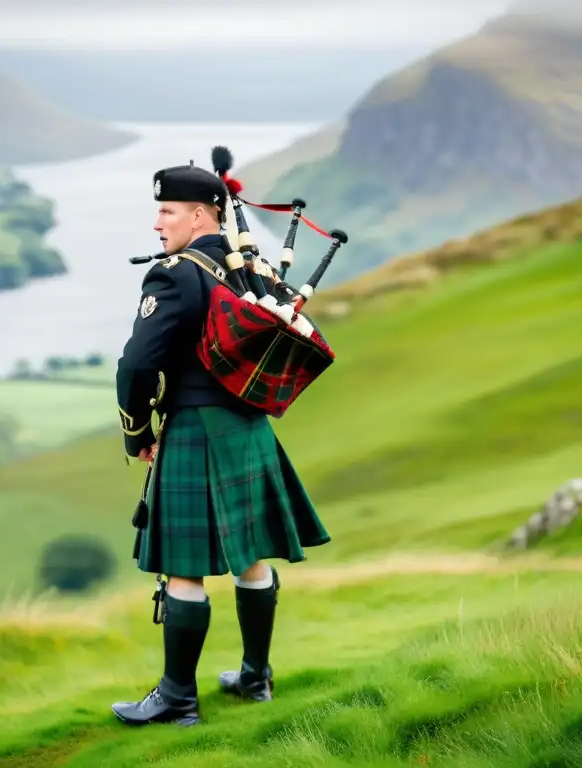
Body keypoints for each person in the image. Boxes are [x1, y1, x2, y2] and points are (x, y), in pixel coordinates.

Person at [110, 160, 331, 727]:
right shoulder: (247, 267)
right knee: (250, 554)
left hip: (194, 428)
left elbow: (137, 365)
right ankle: (256, 677)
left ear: (202, 214)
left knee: (184, 568)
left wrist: (138, 433)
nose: (158, 224)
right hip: (249, 426)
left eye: (167, 212)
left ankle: (177, 698)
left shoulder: (175, 274)